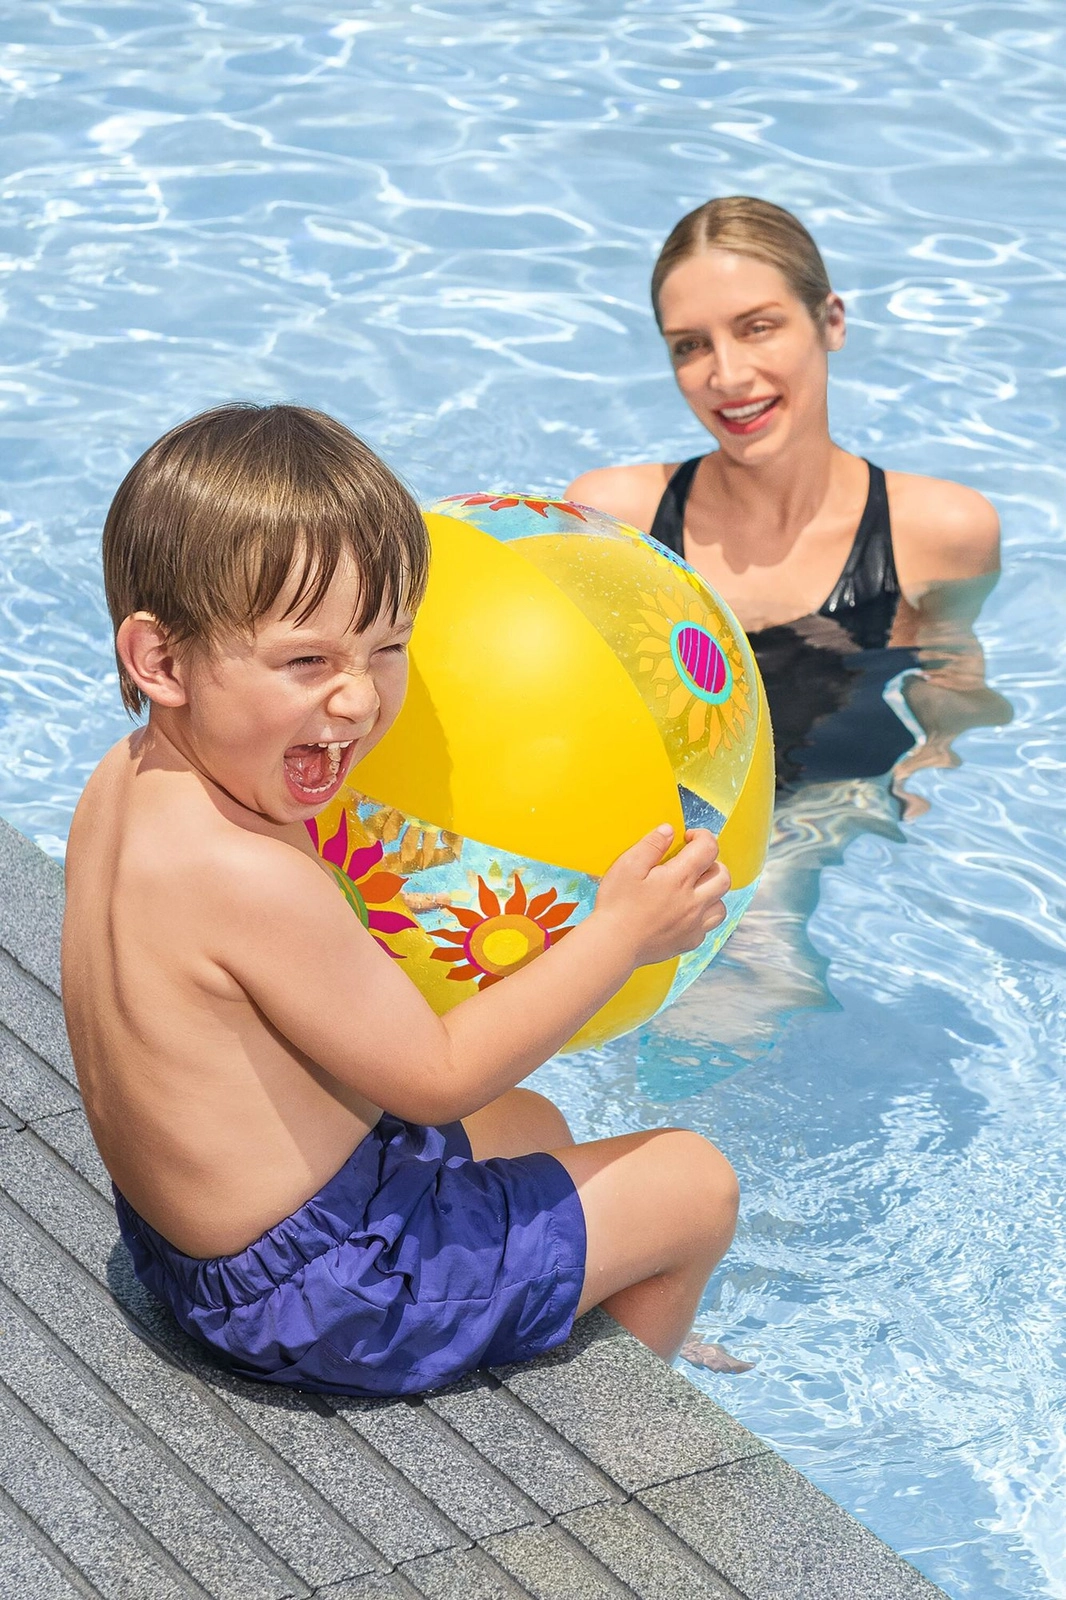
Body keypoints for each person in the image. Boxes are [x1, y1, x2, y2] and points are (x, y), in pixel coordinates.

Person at [61, 402, 741, 1398]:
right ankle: (622, 1413)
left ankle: (592, 1280)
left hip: (193, 1246)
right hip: (328, 1295)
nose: (360, 698)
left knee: (536, 1122)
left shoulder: (124, 783)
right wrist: (622, 932)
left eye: (386, 647)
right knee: (692, 1184)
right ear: (161, 661)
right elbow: (437, 1077)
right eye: (308, 660)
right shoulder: (245, 872)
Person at [566, 195, 1008, 801]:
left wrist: (919, 770)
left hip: (838, 802)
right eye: (690, 344)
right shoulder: (615, 520)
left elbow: (953, 684)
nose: (727, 376)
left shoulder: (940, 530)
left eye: (758, 328)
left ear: (832, 322)